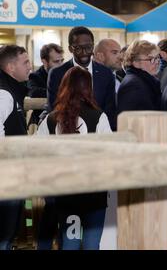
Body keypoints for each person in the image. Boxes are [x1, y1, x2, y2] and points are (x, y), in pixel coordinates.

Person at [37, 67, 111, 249]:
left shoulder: (50, 119)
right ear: (88, 88)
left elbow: (37, 152)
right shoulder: (99, 116)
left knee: (70, 244)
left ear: (64, 87)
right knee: (92, 245)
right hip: (95, 193)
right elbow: (110, 154)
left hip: (66, 194)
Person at [47, 26, 117, 130]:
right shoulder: (57, 74)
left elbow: (110, 111)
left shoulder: (106, 73)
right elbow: (54, 108)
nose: (84, 52)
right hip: (66, 133)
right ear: (70, 48)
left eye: (88, 47)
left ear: (93, 47)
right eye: (78, 48)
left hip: (100, 134)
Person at [0, 45, 32, 250]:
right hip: (6, 175)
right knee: (5, 232)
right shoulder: (4, 93)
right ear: (11, 67)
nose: (30, 67)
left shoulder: (10, 89)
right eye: (26, 62)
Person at [117, 40, 161, 114]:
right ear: (135, 62)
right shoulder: (133, 85)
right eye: (151, 59)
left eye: (157, 58)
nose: (156, 62)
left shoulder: (146, 81)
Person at [27, 43, 64, 127]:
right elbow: (34, 92)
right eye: (56, 61)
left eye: (62, 60)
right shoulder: (35, 76)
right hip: (40, 124)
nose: (61, 64)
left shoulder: (66, 73)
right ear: (44, 62)